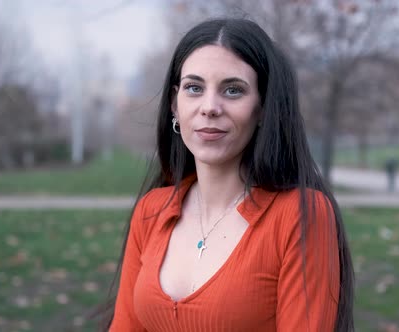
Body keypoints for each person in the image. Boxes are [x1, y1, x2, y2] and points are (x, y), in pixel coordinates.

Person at [102, 18, 354, 332]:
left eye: (233, 90)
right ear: (174, 105)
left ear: (263, 109)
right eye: (194, 88)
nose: (209, 107)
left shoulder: (300, 214)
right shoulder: (151, 211)